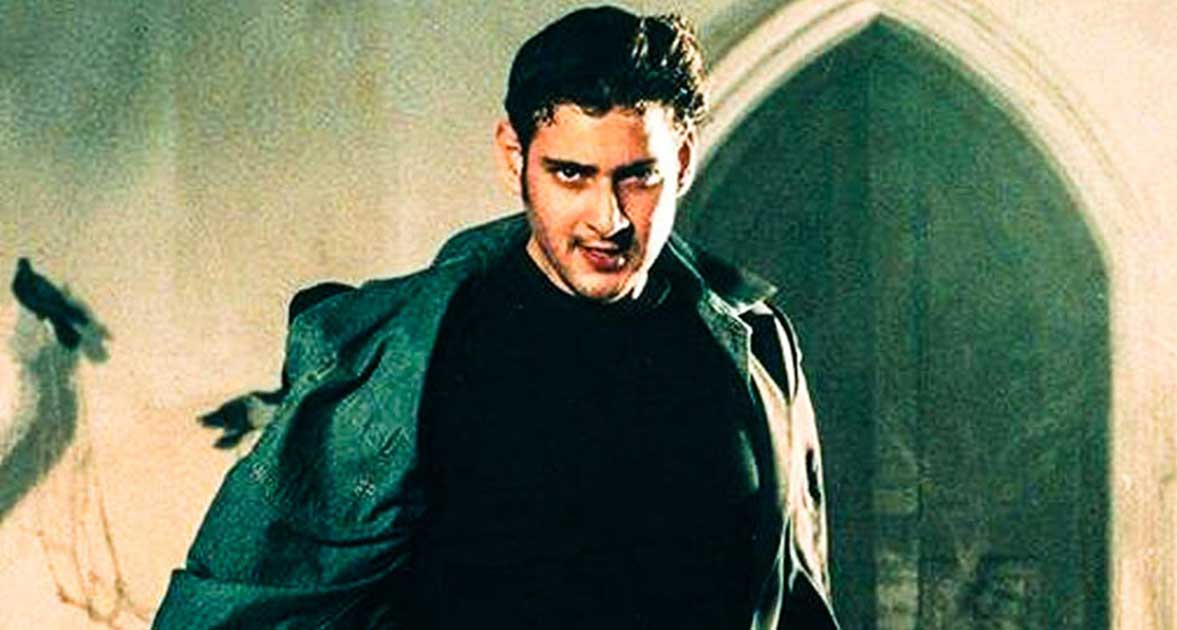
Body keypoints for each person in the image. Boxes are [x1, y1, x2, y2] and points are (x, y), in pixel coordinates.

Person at [154, 6, 837, 629]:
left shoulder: (754, 348)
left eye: (638, 176)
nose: (608, 218)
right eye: (571, 174)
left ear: (681, 162)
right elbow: (244, 603)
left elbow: (799, 595)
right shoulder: (411, 356)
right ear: (515, 158)